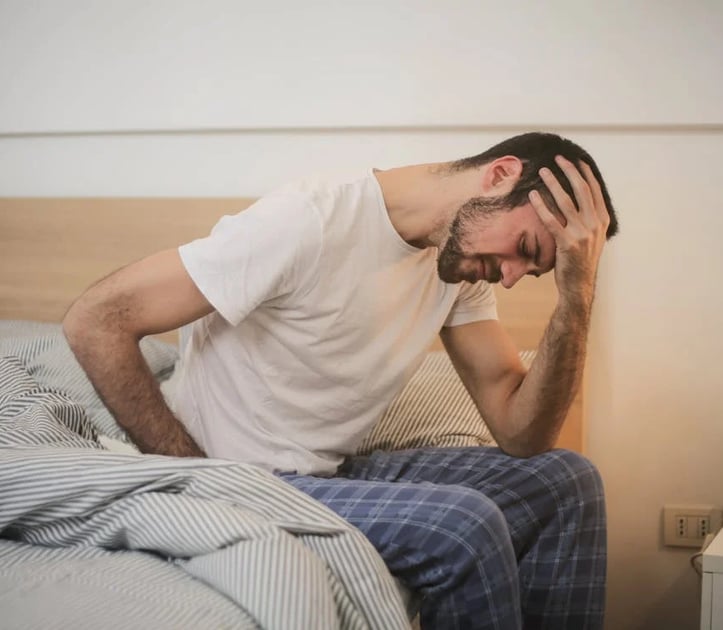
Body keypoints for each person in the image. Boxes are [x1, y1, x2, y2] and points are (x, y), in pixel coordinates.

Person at [64, 131, 618, 630]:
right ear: (500, 175)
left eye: (536, 270)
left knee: (564, 482)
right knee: (463, 528)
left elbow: (522, 434)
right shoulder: (308, 221)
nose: (515, 276)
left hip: (325, 472)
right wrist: (198, 478)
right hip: (239, 476)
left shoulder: (459, 264)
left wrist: (577, 292)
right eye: (524, 250)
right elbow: (97, 319)